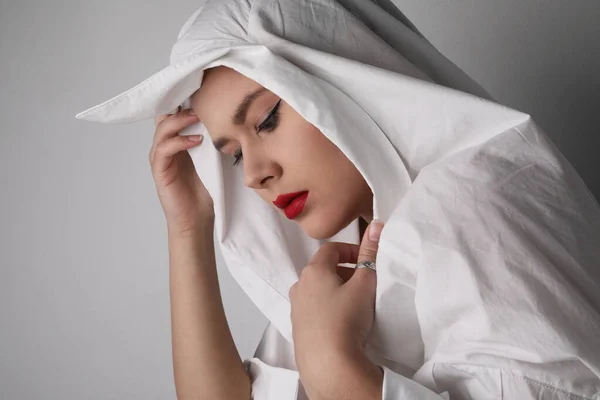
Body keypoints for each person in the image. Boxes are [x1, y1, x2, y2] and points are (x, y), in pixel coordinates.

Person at [76, 0, 600, 399]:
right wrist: (189, 230)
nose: (256, 175)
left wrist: (336, 370)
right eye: (233, 156)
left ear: (341, 80)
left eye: (266, 120)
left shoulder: (478, 207)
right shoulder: (351, 253)